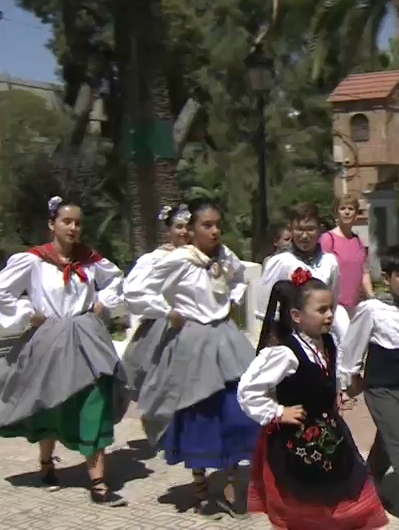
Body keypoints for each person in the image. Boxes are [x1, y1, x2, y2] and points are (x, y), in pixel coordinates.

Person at [123, 198, 260, 519]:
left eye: (217, 224)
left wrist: (231, 300)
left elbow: (239, 277)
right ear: (193, 229)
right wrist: (166, 310)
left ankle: (230, 482)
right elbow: (135, 290)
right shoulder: (179, 260)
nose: (214, 231)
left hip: (225, 339)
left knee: (235, 410)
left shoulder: (224, 256)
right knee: (197, 414)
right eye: (206, 225)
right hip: (193, 342)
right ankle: (201, 488)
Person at [0, 195, 128, 507]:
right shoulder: (34, 260)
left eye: (78, 223)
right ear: (52, 224)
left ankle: (97, 480)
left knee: (96, 397)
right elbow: (2, 290)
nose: (73, 228)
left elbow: (116, 281)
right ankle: (46, 464)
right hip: (51, 337)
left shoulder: (91, 260)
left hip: (87, 335)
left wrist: (103, 303)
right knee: (51, 400)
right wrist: (27, 313)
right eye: (66, 221)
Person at [238, 270, 388, 530]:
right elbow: (247, 390)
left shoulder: (327, 342)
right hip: (296, 440)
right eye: (321, 310)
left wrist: (337, 393)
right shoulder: (285, 353)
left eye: (330, 308)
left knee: (339, 491)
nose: (329, 315)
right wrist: (278, 412)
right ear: (297, 316)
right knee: (305, 502)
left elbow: (326, 376)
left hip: (329, 433)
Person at [337, 245, 399, 515]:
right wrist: (349, 379)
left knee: (386, 441)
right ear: (387, 278)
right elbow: (352, 346)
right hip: (379, 388)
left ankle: (366, 483)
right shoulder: (372, 309)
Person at [122, 203, 192, 399]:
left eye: (188, 227)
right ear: (169, 230)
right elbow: (134, 291)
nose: (184, 232)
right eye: (179, 227)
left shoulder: (201, 257)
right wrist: (166, 310)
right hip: (165, 328)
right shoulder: (156, 259)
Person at [260, 203, 350, 344]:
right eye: (299, 229)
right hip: (288, 337)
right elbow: (265, 306)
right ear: (291, 229)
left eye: (310, 229)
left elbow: (332, 301)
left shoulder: (330, 262)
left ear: (320, 230)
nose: (304, 236)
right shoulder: (281, 262)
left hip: (319, 337)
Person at [320, 195, 374, 317]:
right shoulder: (328, 239)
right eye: (343, 208)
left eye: (351, 209)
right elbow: (322, 274)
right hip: (335, 308)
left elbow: (364, 273)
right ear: (336, 213)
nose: (347, 212)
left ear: (356, 214)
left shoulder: (358, 241)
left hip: (355, 307)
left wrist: (371, 297)